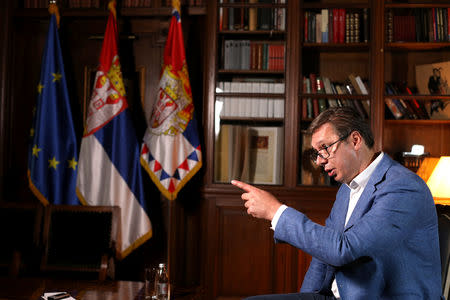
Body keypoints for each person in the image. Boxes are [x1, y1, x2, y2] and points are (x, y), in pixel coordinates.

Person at [232, 106, 442, 299]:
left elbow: (344, 249)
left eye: (326, 147)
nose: (320, 160)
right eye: (317, 152)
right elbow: (323, 258)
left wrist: (275, 212)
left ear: (355, 140)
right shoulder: (346, 189)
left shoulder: (403, 187)